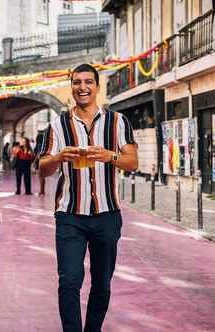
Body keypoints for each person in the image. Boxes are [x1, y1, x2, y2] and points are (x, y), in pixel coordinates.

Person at [38, 63, 138, 332]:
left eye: (88, 82)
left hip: (107, 216)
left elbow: (132, 162)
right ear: (71, 86)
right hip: (70, 216)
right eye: (77, 82)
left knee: (102, 283)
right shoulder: (57, 126)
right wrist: (59, 157)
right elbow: (43, 168)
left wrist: (109, 156)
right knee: (69, 281)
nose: (82, 87)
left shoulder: (118, 122)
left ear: (97, 86)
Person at [34, 131, 46, 196]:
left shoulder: (39, 145)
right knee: (43, 177)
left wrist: (34, 162)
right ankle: (42, 191)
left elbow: (38, 154)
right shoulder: (44, 144)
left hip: (39, 161)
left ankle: (41, 191)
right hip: (43, 160)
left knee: (40, 177)